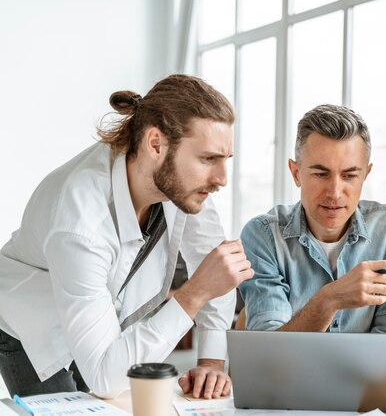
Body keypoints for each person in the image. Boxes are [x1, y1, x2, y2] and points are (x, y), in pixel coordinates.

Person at [0, 74, 254, 399]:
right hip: (31, 322)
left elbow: (215, 264)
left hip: (100, 313)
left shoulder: (185, 183)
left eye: (225, 159)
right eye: (208, 159)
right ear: (156, 144)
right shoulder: (81, 222)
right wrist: (192, 295)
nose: (221, 179)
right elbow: (105, 375)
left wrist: (211, 364)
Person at [238, 104, 386, 333]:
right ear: (296, 173)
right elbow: (273, 353)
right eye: (321, 174)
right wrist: (330, 299)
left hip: (367, 372)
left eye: (350, 175)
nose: (334, 192)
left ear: (365, 176)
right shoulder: (263, 236)